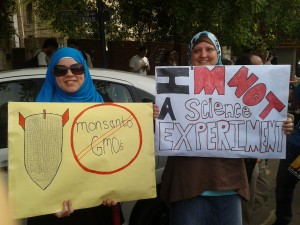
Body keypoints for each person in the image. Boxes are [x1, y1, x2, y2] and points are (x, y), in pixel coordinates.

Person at [159, 31, 294, 225]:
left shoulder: (236, 85)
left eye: (209, 49)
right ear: (190, 55)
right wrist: (156, 115)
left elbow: (263, 113)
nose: (203, 54)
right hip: (188, 185)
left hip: (228, 186)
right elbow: (165, 127)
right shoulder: (175, 87)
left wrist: (283, 124)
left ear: (218, 53)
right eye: (197, 50)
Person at [27, 47, 122, 225]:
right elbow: (34, 166)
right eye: (61, 70)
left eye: (77, 68)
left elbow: (116, 155)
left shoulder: (105, 105)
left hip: (97, 210)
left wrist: (115, 191)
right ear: (52, 75)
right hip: (57, 214)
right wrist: (49, 206)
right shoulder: (38, 111)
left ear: (84, 71)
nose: (70, 74)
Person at [273, 84, 300, 225]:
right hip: (296, 144)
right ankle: (282, 220)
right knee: (284, 184)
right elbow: (294, 101)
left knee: (285, 184)